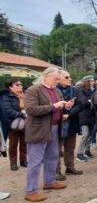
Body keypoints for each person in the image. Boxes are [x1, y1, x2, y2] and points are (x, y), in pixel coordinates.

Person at [24, 67, 68, 202]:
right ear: (46, 76)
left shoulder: (57, 90)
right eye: (56, 79)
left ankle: (49, 181)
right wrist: (54, 106)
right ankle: (30, 191)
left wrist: (66, 106)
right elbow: (31, 109)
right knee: (35, 161)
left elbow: (58, 106)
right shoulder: (33, 90)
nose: (57, 81)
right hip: (39, 130)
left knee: (53, 156)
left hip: (54, 127)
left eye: (58, 79)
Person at [56, 70, 82, 180]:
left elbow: (79, 105)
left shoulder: (75, 90)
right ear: (59, 78)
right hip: (58, 123)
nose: (70, 79)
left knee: (70, 147)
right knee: (56, 150)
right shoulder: (54, 90)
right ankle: (56, 171)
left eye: (70, 77)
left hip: (72, 122)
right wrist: (62, 114)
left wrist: (69, 114)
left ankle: (70, 167)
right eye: (67, 77)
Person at [1, 78, 27, 171]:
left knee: (24, 143)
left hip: (26, 122)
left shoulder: (25, 94)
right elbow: (8, 111)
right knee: (13, 144)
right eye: (18, 84)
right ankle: (13, 163)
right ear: (10, 87)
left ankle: (23, 160)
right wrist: (22, 114)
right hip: (12, 124)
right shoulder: (6, 96)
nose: (21, 86)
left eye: (21, 84)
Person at [76, 75, 96, 162]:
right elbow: (83, 102)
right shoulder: (80, 90)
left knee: (91, 134)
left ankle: (87, 150)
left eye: (92, 81)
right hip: (83, 116)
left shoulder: (95, 90)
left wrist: (90, 101)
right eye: (90, 81)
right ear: (86, 82)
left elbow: (95, 101)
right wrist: (92, 102)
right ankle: (79, 153)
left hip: (92, 115)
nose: (92, 83)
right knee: (85, 135)